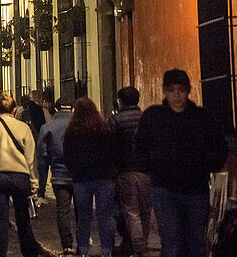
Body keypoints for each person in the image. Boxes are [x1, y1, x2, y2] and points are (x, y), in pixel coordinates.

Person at [136, 68, 227, 257]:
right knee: (172, 241)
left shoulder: (202, 118)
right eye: (172, 90)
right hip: (164, 188)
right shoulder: (153, 117)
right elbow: (140, 147)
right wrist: (152, 166)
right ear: (165, 91)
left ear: (188, 90)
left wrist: (205, 164)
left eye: (181, 90)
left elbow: (220, 148)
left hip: (196, 188)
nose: (177, 95)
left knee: (196, 241)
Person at [0, 91, 40, 257]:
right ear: (14, 110)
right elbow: (31, 157)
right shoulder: (23, 127)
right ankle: (28, 252)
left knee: (1, 220)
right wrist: (34, 182)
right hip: (20, 175)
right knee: (23, 218)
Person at [63, 97, 117, 257]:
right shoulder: (104, 129)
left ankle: (83, 250)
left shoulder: (72, 132)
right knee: (105, 216)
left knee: (84, 217)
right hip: (105, 177)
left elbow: (68, 157)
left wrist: (75, 170)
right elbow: (113, 152)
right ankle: (107, 250)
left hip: (82, 178)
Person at [111, 86, 150, 257]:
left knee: (132, 212)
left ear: (120, 101)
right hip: (146, 171)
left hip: (126, 170)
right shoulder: (146, 119)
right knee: (145, 210)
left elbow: (111, 145)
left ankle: (139, 249)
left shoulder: (116, 120)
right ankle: (143, 244)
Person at [37, 96, 75, 256]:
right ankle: (83, 241)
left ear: (57, 109)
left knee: (62, 210)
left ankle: (67, 245)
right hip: (80, 174)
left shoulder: (48, 127)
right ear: (72, 109)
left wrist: (50, 163)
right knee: (82, 209)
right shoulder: (79, 124)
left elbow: (42, 153)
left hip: (59, 174)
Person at [22, 89, 49, 200]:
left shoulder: (23, 111)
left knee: (29, 166)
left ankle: (30, 190)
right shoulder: (44, 111)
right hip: (40, 142)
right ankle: (40, 192)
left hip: (27, 142)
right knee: (42, 168)